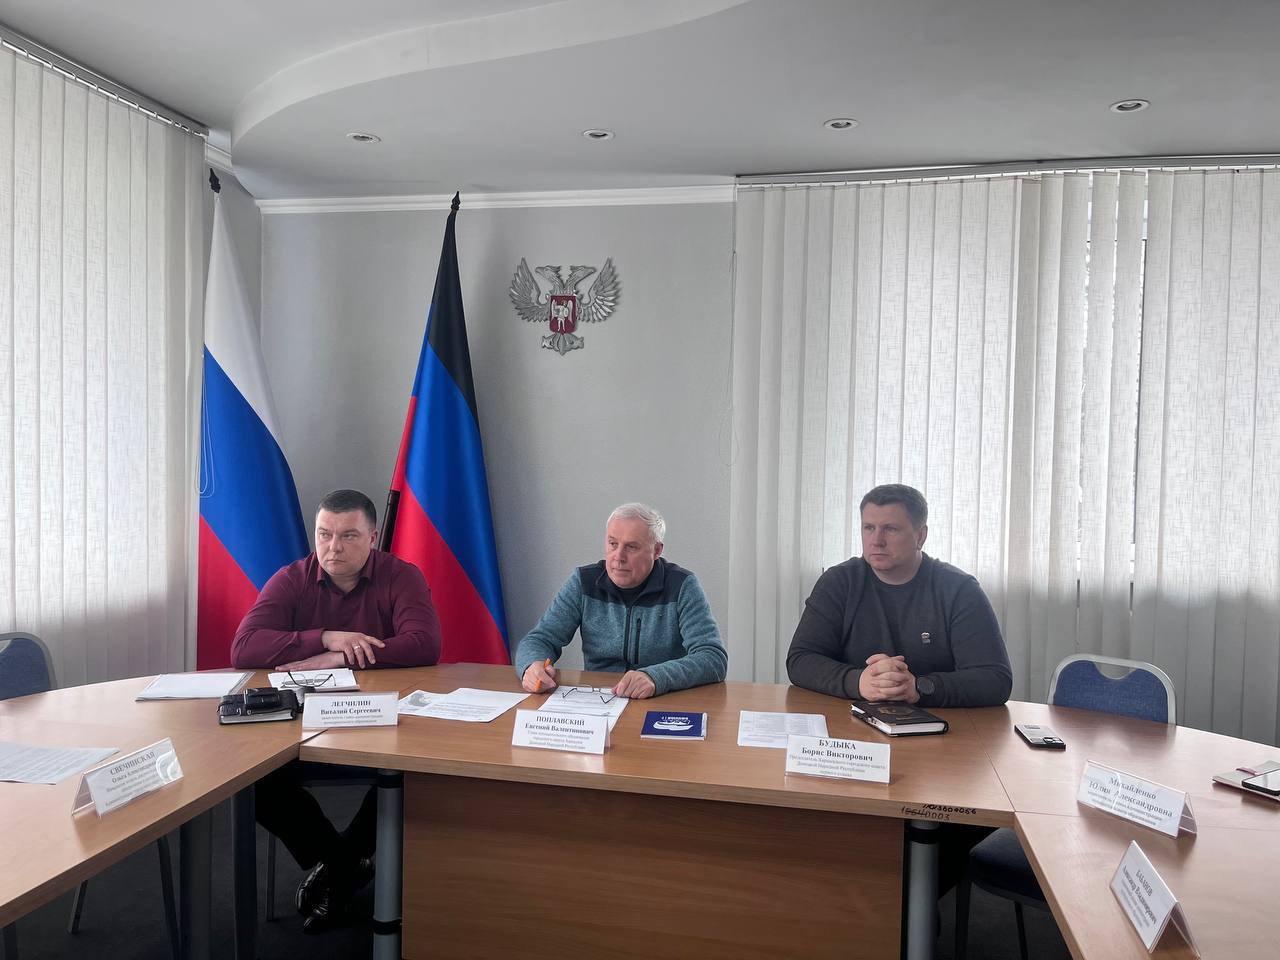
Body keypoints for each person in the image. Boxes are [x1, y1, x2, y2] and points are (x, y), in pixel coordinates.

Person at [231, 488, 441, 934]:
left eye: (348, 536)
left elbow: (424, 644)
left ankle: (340, 866)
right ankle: (344, 864)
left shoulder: (401, 576)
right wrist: (325, 637)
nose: (333, 547)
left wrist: (341, 657)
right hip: (306, 726)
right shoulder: (292, 578)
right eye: (324, 534)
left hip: (381, 722)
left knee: (413, 774)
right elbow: (244, 647)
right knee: (254, 780)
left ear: (373, 537)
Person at [786, 483, 1011, 708]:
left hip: (941, 723)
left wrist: (918, 688)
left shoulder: (959, 589)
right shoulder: (839, 582)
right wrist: (859, 681)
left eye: (890, 529)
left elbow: (995, 679)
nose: (876, 540)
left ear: (920, 536)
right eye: (868, 528)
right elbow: (800, 660)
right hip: (849, 719)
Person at [515, 503, 727, 698]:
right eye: (613, 544)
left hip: (662, 699)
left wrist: (655, 677)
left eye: (631, 547)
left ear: (656, 550)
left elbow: (712, 658)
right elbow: (540, 639)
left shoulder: (682, 586)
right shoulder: (583, 582)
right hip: (600, 700)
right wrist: (531, 666)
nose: (618, 556)